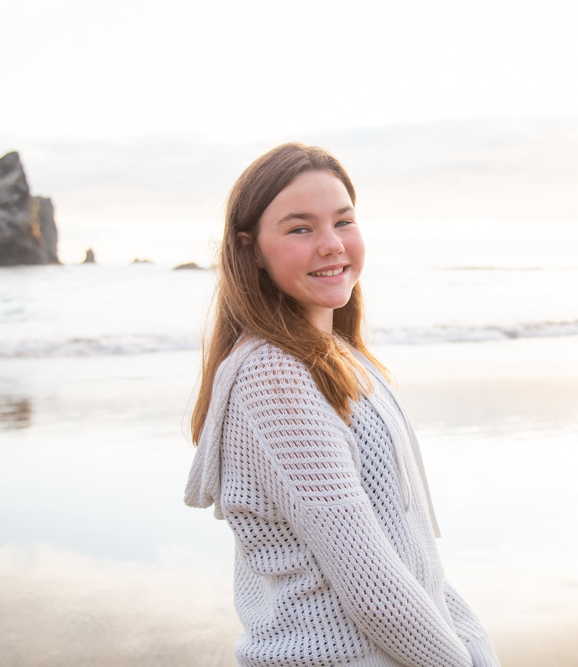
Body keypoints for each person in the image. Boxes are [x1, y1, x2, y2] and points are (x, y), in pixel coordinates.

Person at [185, 143, 500, 667]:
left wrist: (472, 643)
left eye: (343, 221)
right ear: (250, 249)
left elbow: (414, 555)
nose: (332, 245)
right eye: (300, 228)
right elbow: (372, 588)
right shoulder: (272, 375)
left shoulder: (343, 359)